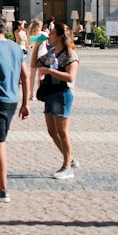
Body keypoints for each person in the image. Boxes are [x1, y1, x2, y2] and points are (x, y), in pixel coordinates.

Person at [0, 13, 30, 202]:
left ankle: (2, 189)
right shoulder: (16, 48)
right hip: (12, 101)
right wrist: (25, 103)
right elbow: (24, 77)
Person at [33, 18, 80, 179]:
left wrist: (50, 71)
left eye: (52, 33)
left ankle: (67, 166)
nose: (49, 35)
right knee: (52, 131)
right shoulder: (52, 53)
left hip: (62, 94)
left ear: (60, 36)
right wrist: (38, 44)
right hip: (50, 93)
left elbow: (70, 76)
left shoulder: (70, 54)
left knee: (62, 131)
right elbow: (35, 64)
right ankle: (70, 158)